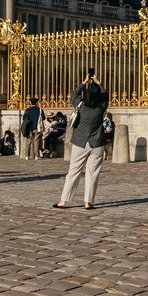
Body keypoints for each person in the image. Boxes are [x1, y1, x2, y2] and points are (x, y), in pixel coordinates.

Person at [54, 72, 111, 210]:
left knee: (73, 171)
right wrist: (99, 84)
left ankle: (64, 201)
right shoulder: (101, 108)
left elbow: (73, 95)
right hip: (97, 143)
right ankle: (88, 202)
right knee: (93, 173)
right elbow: (105, 96)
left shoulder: (81, 105)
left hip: (80, 143)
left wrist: (83, 83)